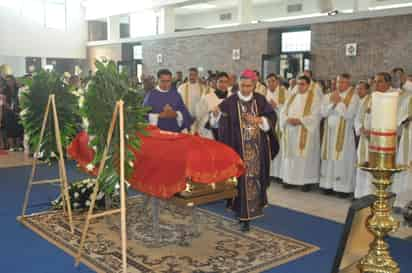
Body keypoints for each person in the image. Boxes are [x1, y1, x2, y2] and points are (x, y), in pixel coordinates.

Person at [210, 69, 279, 232]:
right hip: (237, 150)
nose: (245, 89)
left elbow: (271, 118)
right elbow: (215, 123)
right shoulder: (230, 101)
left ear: (254, 85)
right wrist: (215, 115)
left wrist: (259, 120)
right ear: (238, 84)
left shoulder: (260, 100)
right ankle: (243, 216)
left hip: (257, 150)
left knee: (255, 180)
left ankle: (252, 212)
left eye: (249, 86)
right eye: (242, 85)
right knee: (240, 183)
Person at [320, 73, 359, 198]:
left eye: (343, 82)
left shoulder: (354, 97)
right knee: (329, 158)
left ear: (348, 84)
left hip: (344, 134)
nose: (340, 85)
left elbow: (349, 114)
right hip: (329, 133)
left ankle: (342, 188)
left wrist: (339, 103)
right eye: (338, 82)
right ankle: (328, 185)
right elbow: (323, 113)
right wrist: (333, 104)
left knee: (343, 159)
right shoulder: (328, 96)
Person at [280, 75, 322, 191]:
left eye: (303, 84)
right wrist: (287, 119)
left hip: (305, 131)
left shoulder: (314, 98)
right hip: (290, 130)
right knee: (291, 156)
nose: (300, 86)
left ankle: (306, 181)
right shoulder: (292, 97)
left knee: (305, 157)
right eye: (298, 84)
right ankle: (290, 179)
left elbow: (316, 115)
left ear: (308, 85)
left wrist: (300, 121)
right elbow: (283, 112)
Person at [265, 73, 288, 181]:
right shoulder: (265, 93)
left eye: (273, 81)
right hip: (268, 124)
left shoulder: (284, 92)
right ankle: (270, 173)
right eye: (268, 81)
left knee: (279, 147)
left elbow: (288, 108)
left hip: (279, 124)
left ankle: (279, 174)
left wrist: (277, 106)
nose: (271, 83)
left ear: (277, 82)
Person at [196, 72, 231, 139]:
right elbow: (200, 116)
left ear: (228, 83)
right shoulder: (207, 98)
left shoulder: (231, 97)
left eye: (225, 82)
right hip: (210, 133)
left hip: (227, 132)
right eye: (221, 81)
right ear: (216, 82)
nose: (223, 84)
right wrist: (211, 115)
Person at [353, 81, 373, 199]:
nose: (358, 91)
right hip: (364, 138)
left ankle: (369, 194)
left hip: (375, 139)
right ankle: (359, 194)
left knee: (371, 165)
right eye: (357, 89)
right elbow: (358, 118)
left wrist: (372, 131)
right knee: (362, 164)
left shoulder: (378, 100)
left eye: (361, 89)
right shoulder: (364, 101)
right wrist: (361, 128)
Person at [178, 68, 207, 133]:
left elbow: (205, 104)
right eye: (190, 75)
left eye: (194, 75)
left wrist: (199, 115)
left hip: (199, 118)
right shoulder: (181, 88)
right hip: (185, 117)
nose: (192, 77)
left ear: (197, 76)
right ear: (187, 75)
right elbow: (178, 103)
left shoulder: (203, 88)